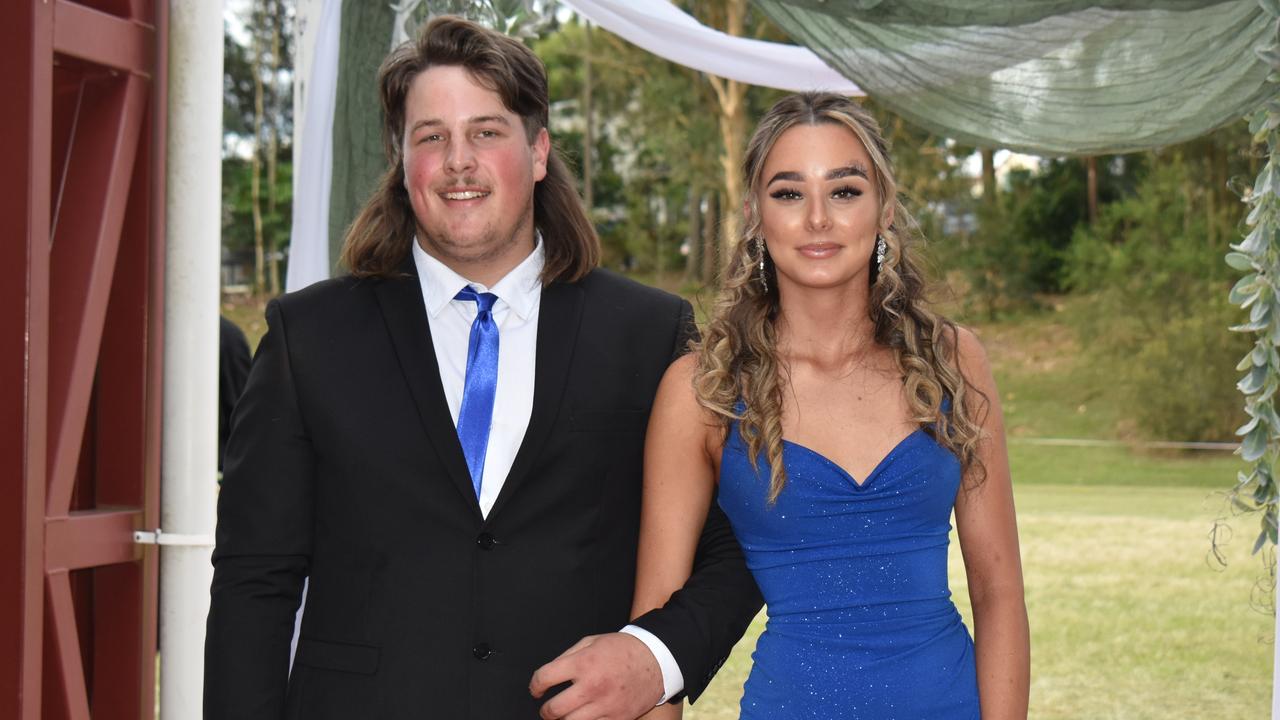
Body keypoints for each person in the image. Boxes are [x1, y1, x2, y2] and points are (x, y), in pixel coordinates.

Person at [204, 16, 761, 720]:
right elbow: (254, 582)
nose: (458, 160)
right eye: (430, 136)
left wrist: (653, 658)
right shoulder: (305, 336)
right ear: (403, 164)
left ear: (537, 153)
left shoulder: (647, 336)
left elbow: (739, 544)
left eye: (487, 132)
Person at [632, 92, 1030, 719]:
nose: (818, 218)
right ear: (755, 215)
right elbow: (655, 632)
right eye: (789, 193)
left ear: (884, 208)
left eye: (844, 190)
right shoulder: (702, 389)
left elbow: (999, 588)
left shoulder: (953, 361)